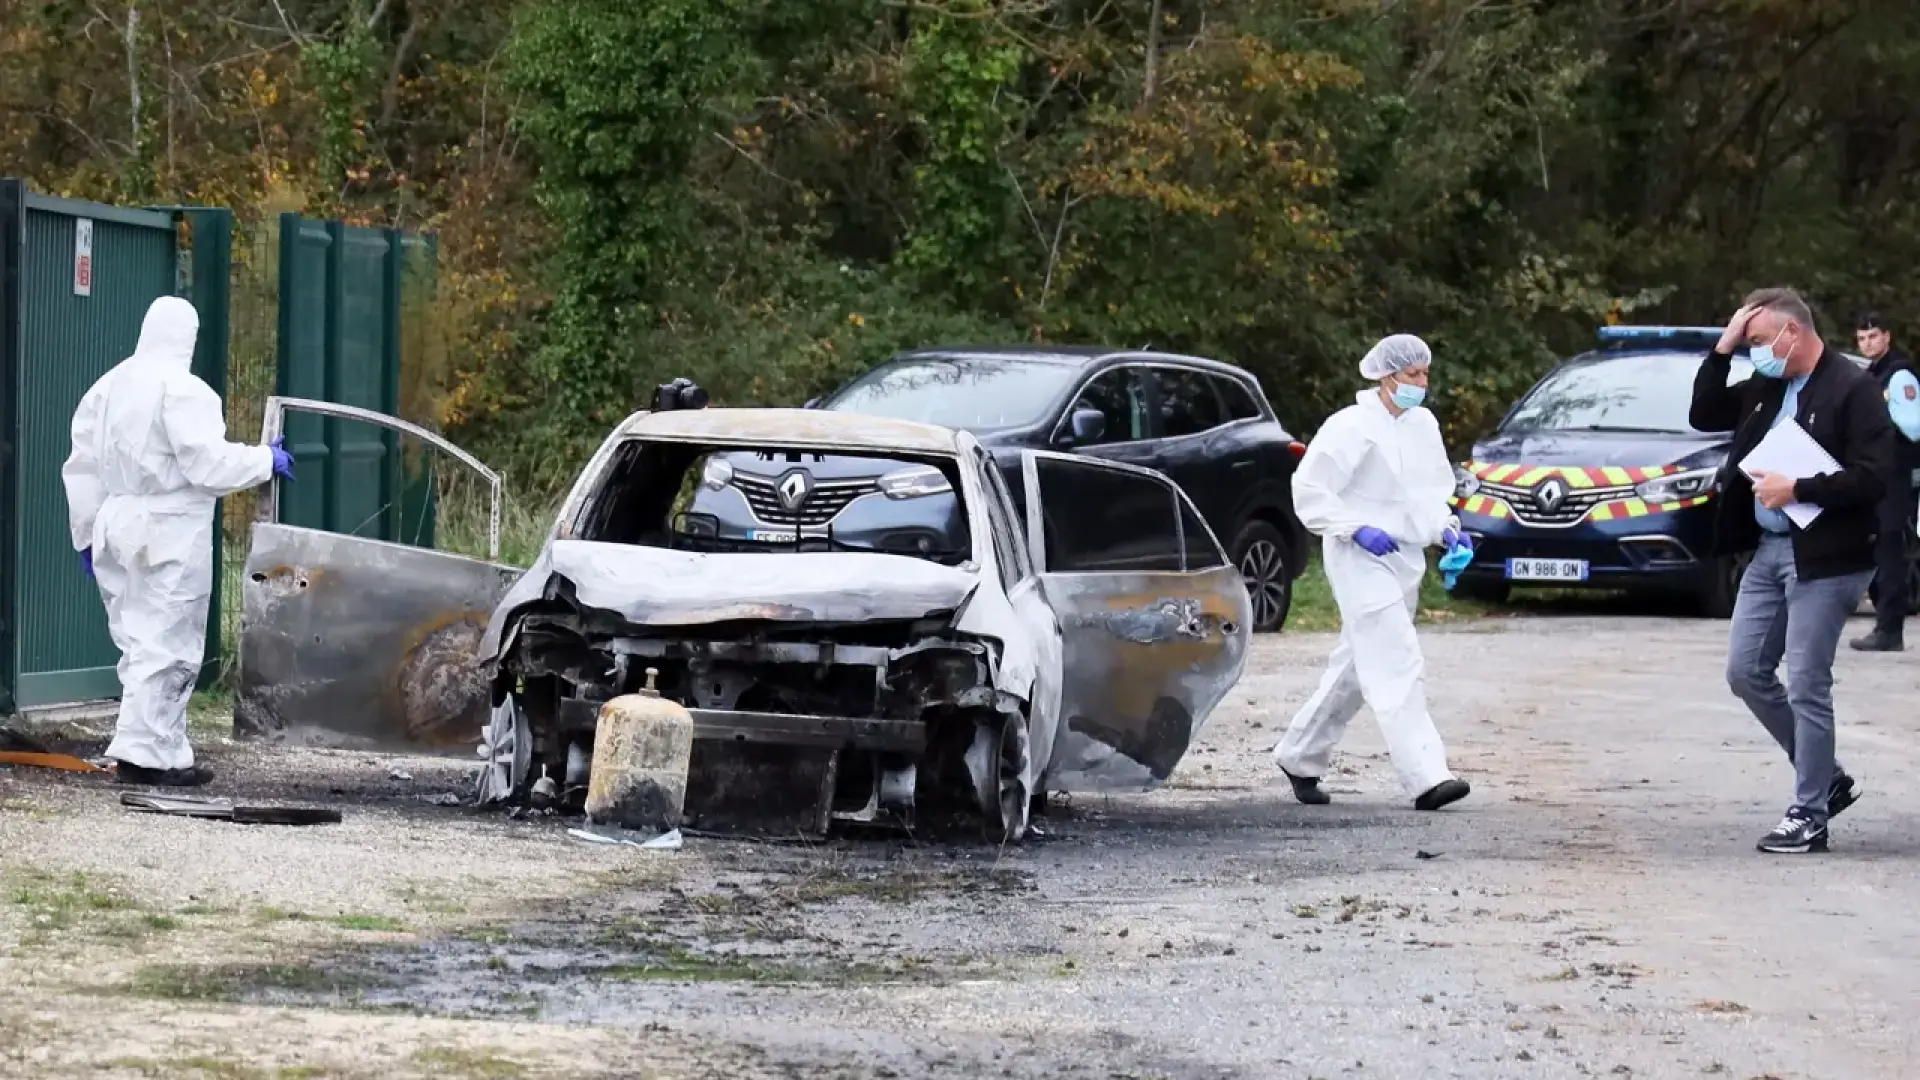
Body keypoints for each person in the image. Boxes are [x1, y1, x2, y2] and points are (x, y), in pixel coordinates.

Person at [1691, 288, 1896, 854]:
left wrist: (1799, 489)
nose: (1758, 352)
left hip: (1828, 557)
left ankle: (1809, 813)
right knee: (1745, 671)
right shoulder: (1767, 382)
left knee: (1807, 682)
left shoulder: (1853, 389)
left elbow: (1875, 477)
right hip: (1769, 550)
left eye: (1760, 341)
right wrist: (1726, 346)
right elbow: (1703, 412)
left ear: (1794, 333)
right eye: (1751, 342)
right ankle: (1825, 775)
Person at [61, 296, 294, 787]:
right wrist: (263, 460)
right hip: (167, 528)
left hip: (115, 523)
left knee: (136, 641)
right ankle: (148, 756)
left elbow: (81, 465)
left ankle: (152, 749)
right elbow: (206, 465)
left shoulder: (108, 386)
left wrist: (86, 533)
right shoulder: (183, 390)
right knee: (167, 643)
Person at [1272, 333, 1473, 811]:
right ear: (1386, 377)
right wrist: (1353, 527)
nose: (1421, 383)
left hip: (1402, 557)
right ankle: (1427, 777)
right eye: (1412, 375)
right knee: (1396, 658)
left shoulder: (1422, 425)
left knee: (1357, 667)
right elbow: (1311, 488)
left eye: (1425, 374)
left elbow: (1428, 492)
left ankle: (1299, 754)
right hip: (1358, 555)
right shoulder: (1351, 426)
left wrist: (1446, 530)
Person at [1848, 312, 1920, 652]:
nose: (1867, 344)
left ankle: (1890, 630)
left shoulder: (1899, 375)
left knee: (1891, 552)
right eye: (1861, 339)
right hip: (1875, 477)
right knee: (1878, 550)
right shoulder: (1873, 374)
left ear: (1887, 337)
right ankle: (1883, 624)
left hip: (1894, 476)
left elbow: (1914, 427)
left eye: (1873, 336)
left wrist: (1883, 407)